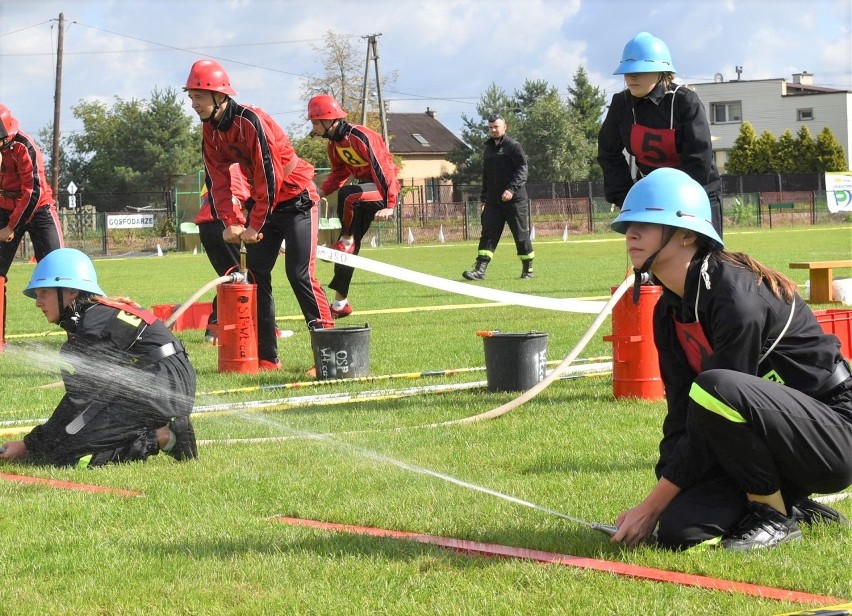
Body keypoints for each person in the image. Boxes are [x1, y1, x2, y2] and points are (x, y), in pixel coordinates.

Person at [608, 168, 851, 551]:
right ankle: (791, 504)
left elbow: (718, 396)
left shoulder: (736, 297)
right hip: (764, 443)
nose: (631, 234)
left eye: (646, 223)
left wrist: (649, 506)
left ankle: (775, 518)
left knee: (715, 386)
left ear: (687, 235)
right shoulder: (668, 312)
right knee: (679, 532)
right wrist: (664, 498)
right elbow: (681, 416)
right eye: (628, 225)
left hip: (831, 435)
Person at [184, 59, 333, 371]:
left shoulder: (251, 120)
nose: (193, 103)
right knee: (255, 274)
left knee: (299, 273)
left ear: (219, 96)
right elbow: (217, 181)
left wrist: (255, 224)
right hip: (266, 203)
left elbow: (269, 175)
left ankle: (328, 353)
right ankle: (267, 358)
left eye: (198, 96)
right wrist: (230, 221)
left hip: (298, 200)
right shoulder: (210, 131)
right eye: (191, 97)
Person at [0, 248, 198, 468]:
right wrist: (35, 444)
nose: (38, 302)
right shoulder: (95, 315)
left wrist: (30, 445)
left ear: (72, 291)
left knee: (67, 457)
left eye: (44, 292)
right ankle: (159, 428)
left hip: (161, 386)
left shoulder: (92, 325)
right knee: (60, 443)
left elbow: (79, 401)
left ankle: (163, 436)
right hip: (163, 381)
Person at [598, 32, 724, 238]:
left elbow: (699, 158)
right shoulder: (620, 104)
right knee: (654, 264)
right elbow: (607, 153)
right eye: (627, 70)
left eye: (639, 70)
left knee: (703, 262)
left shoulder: (685, 101)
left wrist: (675, 199)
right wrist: (627, 197)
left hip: (696, 193)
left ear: (661, 72)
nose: (630, 76)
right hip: (651, 198)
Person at [307, 95, 400, 319]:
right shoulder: (334, 145)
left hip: (383, 190)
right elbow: (339, 173)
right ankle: (341, 303)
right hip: (364, 193)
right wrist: (321, 192)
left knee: (348, 195)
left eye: (315, 122)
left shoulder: (361, 136)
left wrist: (390, 204)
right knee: (347, 253)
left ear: (329, 120)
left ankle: (345, 238)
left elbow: (383, 169)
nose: (314, 128)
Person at [462, 114, 534, 281]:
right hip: (493, 202)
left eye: (496, 126)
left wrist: (511, 189)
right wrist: (484, 199)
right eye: (491, 127)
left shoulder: (513, 146)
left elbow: (522, 169)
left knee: (521, 235)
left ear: (505, 127)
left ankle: (528, 269)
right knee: (488, 233)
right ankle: (480, 271)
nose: (493, 130)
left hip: (515, 200)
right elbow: (486, 176)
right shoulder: (488, 149)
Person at [0, 103, 64, 282]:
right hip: (5, 208)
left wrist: (11, 227)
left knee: (57, 272)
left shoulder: (25, 146)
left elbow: (33, 192)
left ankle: (68, 310)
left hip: (38, 210)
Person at [194, 164, 249, 343]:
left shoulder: (219, 167)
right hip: (225, 223)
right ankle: (266, 330)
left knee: (229, 279)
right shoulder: (241, 167)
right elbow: (251, 197)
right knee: (245, 279)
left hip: (206, 226)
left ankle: (214, 330)